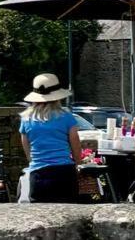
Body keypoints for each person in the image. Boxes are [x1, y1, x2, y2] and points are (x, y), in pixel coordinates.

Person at [19, 73, 81, 203]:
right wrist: (78, 164)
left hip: (38, 175)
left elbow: (27, 150)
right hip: (64, 173)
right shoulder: (67, 117)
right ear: (58, 97)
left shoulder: (26, 119)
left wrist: (35, 162)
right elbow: (76, 146)